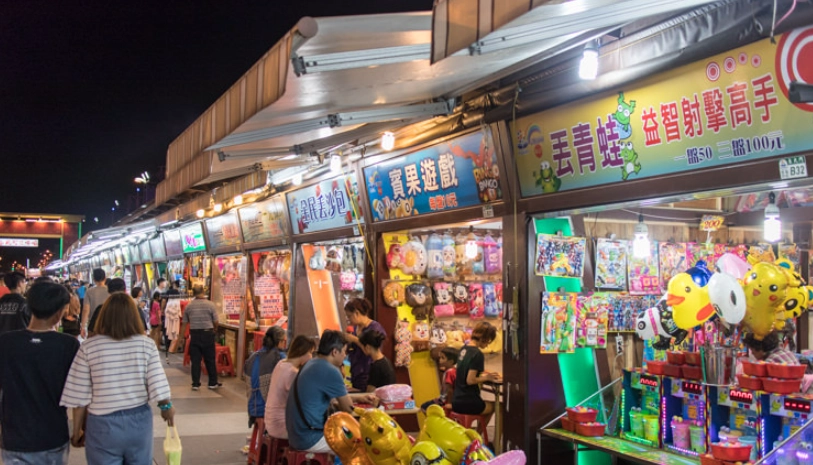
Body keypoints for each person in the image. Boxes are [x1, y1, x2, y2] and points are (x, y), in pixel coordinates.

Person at [60, 293, 174, 465]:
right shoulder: (146, 344)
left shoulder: (88, 347)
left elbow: (79, 396)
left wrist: (76, 432)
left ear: (104, 316)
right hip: (139, 422)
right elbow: (157, 383)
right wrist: (166, 408)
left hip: (102, 424)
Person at [0, 281, 80, 465]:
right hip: (52, 436)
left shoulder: (5, 342)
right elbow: (77, 394)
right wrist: (77, 431)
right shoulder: (68, 345)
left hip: (14, 437)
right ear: (60, 311)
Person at [286, 330, 375, 453]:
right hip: (310, 438)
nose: (345, 356)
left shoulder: (311, 363)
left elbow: (332, 399)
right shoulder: (330, 370)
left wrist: (358, 398)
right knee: (360, 445)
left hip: (296, 434)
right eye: (344, 351)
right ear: (334, 352)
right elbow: (348, 408)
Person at [264, 335, 316, 439]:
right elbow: (303, 401)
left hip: (270, 420)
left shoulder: (281, 363)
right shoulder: (292, 372)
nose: (312, 357)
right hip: (281, 425)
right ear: (302, 352)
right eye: (311, 353)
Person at [452, 322, 501, 422]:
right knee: (499, 407)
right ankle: (482, 432)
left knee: (490, 406)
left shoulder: (463, 349)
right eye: (489, 341)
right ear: (485, 338)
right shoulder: (477, 354)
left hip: (457, 399)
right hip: (469, 401)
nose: (488, 345)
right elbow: (470, 380)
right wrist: (487, 377)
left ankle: (479, 432)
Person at [245, 326, 287, 427]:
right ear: (279, 342)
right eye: (284, 341)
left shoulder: (253, 356)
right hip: (268, 410)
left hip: (252, 408)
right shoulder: (279, 357)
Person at [343, 298, 386, 391]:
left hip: (369, 374)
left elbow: (371, 352)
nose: (348, 319)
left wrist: (355, 340)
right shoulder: (355, 329)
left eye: (349, 316)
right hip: (355, 373)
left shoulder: (375, 328)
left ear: (357, 313)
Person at [182, 286, 220, 390]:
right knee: (210, 359)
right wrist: (215, 328)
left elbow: (184, 323)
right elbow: (216, 321)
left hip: (194, 334)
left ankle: (195, 384)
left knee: (195, 360)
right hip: (208, 333)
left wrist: (181, 338)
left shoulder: (189, 306)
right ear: (203, 292)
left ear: (193, 293)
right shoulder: (210, 305)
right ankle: (212, 383)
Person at [421, 347, 459, 412]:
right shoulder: (453, 370)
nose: (440, 360)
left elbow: (450, 389)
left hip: (444, 400)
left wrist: (449, 403)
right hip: (445, 398)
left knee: (424, 407)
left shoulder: (449, 372)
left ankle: (434, 418)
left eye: (443, 358)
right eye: (440, 357)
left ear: (451, 361)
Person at [81, 269, 109, 339]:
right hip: (108, 323)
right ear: (105, 278)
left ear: (94, 279)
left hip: (93, 324)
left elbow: (86, 310)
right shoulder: (110, 290)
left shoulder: (89, 291)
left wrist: (83, 327)